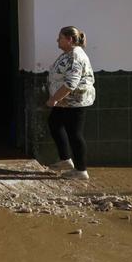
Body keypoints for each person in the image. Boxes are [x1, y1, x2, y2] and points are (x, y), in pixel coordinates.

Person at [45, 26, 95, 180]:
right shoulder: (68, 54)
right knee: (54, 123)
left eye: (60, 37)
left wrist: (54, 98)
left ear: (69, 39)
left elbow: (70, 84)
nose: (57, 40)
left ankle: (81, 170)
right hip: (65, 101)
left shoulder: (75, 56)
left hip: (75, 101)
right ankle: (65, 160)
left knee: (75, 134)